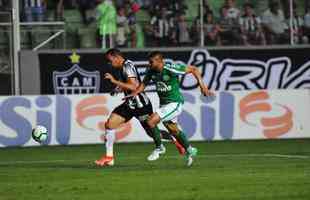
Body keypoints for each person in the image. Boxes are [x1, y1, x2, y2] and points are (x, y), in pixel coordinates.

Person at [95, 49, 185, 167]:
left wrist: (115, 81)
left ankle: (175, 139)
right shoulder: (122, 67)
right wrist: (118, 89)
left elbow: (134, 86)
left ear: (116, 57)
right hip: (129, 104)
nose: (109, 63)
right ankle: (109, 157)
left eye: (110, 60)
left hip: (140, 105)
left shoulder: (128, 66)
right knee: (109, 124)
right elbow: (127, 84)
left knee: (151, 132)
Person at [126, 51, 214, 166]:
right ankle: (190, 149)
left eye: (151, 62)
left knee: (150, 121)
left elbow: (194, 69)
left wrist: (203, 86)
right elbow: (143, 85)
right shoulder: (151, 71)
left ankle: (159, 148)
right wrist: (134, 93)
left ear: (159, 61)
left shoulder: (170, 68)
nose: (149, 64)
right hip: (164, 105)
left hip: (175, 103)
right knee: (174, 130)